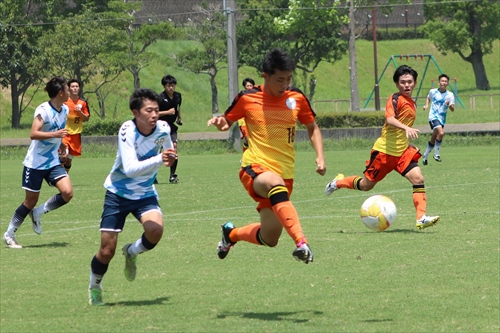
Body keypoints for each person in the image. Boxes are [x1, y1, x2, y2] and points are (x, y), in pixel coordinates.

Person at [207, 48, 326, 264]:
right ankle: (302, 243)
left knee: (269, 238)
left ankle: (230, 235)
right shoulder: (247, 98)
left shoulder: (296, 98)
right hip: (255, 168)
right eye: (280, 80)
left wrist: (320, 157)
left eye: (288, 79)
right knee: (274, 182)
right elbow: (227, 122)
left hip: (285, 175)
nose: (285, 85)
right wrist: (219, 123)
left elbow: (312, 127)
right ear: (265, 76)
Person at [87, 88, 177, 305]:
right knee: (107, 251)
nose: (155, 114)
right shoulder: (127, 130)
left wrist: (170, 156)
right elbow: (129, 168)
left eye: (157, 110)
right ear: (136, 112)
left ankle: (131, 251)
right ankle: (95, 285)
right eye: (149, 110)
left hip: (145, 192)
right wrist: (160, 160)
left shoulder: (163, 128)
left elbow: (169, 152)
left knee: (155, 230)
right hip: (118, 193)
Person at [325, 65, 440, 230]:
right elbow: (390, 120)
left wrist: (407, 143)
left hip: (401, 153)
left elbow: (398, 128)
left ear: (414, 83)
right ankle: (338, 182)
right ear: (396, 84)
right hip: (384, 153)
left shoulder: (412, 103)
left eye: (409, 82)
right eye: (402, 82)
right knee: (366, 185)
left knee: (418, 179)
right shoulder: (395, 99)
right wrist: (407, 129)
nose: (406, 85)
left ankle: (421, 217)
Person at [3, 77, 73, 248]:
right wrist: (55, 135)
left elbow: (58, 133)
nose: (70, 91)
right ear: (60, 93)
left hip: (52, 162)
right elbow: (34, 133)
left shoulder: (64, 109)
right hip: (35, 163)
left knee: (68, 193)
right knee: (30, 201)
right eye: (67, 89)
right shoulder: (43, 110)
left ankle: (38, 213)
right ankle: (9, 234)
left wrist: (62, 146)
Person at [421, 74, 455, 165]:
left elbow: (452, 109)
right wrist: (426, 105)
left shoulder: (450, 95)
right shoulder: (433, 91)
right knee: (441, 133)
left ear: (447, 83)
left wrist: (449, 105)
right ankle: (436, 153)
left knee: (434, 138)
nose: (443, 83)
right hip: (433, 116)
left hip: (442, 118)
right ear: (439, 82)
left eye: (445, 81)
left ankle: (425, 155)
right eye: (442, 81)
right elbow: (428, 97)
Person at [60, 78, 90, 173]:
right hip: (64, 133)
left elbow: (87, 118)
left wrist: (80, 112)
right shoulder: (64, 101)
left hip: (76, 134)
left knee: (69, 159)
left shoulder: (83, 102)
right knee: (64, 155)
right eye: (72, 86)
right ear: (68, 88)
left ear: (79, 88)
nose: (75, 88)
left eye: (77, 86)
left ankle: (65, 175)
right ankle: (58, 176)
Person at [157, 75, 182, 184]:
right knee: (157, 151)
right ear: (164, 86)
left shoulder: (178, 96)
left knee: (174, 149)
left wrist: (179, 118)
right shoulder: (160, 98)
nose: (171, 88)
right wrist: (167, 112)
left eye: (172, 85)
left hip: (171, 127)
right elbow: (154, 113)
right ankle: (152, 176)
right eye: (168, 86)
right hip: (159, 127)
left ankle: (172, 176)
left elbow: (177, 108)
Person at [237, 78, 255, 151]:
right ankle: (245, 157)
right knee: (247, 139)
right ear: (244, 87)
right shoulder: (241, 96)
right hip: (243, 121)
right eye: (248, 86)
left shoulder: (256, 96)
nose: (249, 87)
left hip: (253, 121)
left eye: (251, 85)